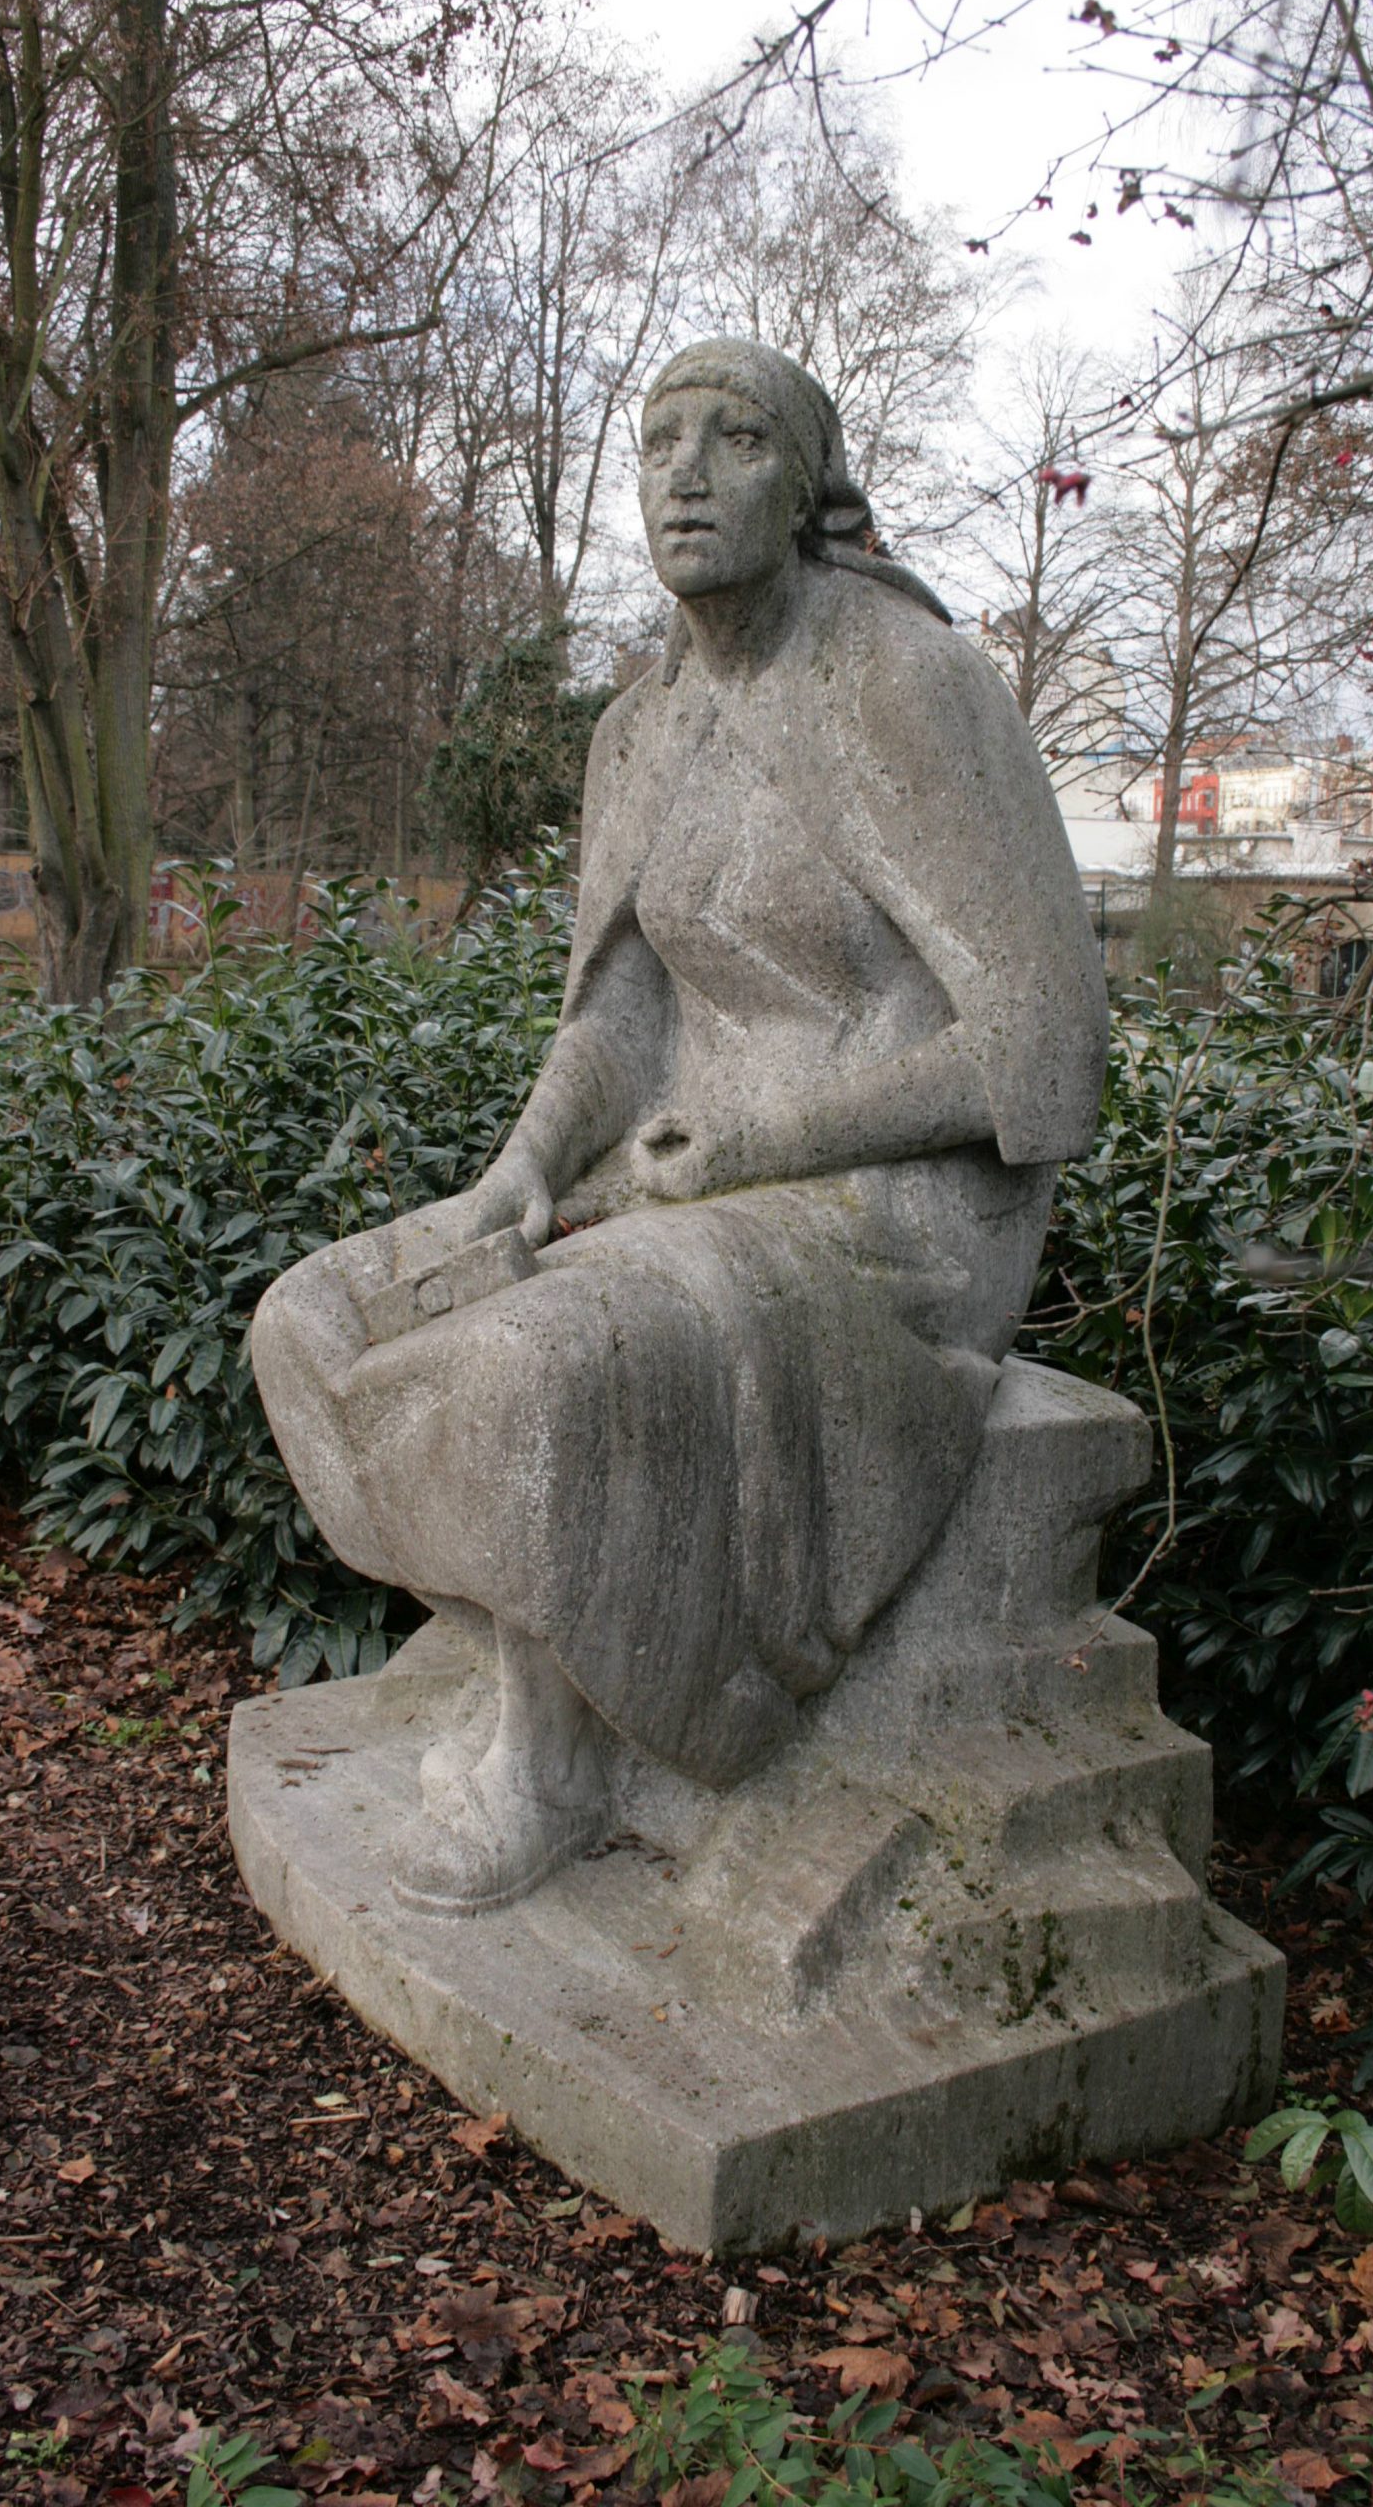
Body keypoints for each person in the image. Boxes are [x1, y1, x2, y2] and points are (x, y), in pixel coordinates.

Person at [251, 338, 1108, 1916]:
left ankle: (552, 1764)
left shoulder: (912, 687)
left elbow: (1046, 1051)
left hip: (899, 1217)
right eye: (659, 443)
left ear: (810, 488)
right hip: (673, 1175)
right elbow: (621, 1017)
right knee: (315, 1320)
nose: (688, 477)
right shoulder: (636, 733)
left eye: (737, 440)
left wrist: (760, 1147)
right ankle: (566, 1642)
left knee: (535, 1366)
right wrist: (518, 1172)